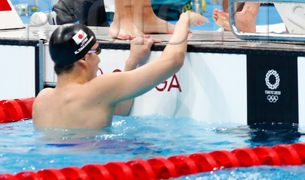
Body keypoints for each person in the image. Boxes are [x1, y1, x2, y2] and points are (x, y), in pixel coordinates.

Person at [32, 11, 207, 129]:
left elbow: (117, 111)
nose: (99, 59)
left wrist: (131, 62)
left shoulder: (41, 100)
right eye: (96, 51)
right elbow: (173, 60)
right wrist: (183, 21)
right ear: (83, 59)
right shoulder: (98, 89)